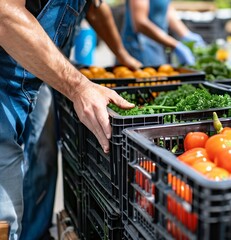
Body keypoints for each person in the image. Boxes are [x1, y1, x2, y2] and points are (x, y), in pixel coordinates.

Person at [0, 0, 138, 239]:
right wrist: (78, 87)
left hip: (33, 74)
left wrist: (122, 54)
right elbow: (4, 14)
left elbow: (96, 8)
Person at [121, 0, 206, 66]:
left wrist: (185, 33)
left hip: (158, 44)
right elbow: (140, 22)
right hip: (139, 48)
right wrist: (176, 45)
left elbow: (165, 7)